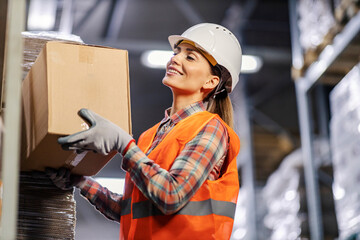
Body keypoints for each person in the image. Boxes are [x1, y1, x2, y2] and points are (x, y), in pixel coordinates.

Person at [47, 23, 242, 240]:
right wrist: (80, 182)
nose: (175, 58)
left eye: (190, 57)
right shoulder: (151, 136)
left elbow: (171, 194)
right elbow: (131, 211)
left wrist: (124, 145)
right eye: (176, 52)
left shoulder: (210, 129)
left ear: (211, 81)